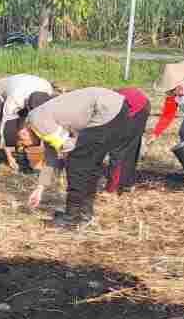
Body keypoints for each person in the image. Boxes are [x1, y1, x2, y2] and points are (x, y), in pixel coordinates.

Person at [18, 87, 142, 229]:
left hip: (105, 110)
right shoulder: (42, 124)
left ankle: (71, 217)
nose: (24, 146)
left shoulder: (37, 120)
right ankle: (84, 213)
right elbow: (51, 160)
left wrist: (73, 160)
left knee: (77, 162)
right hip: (119, 108)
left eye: (22, 142)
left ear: (23, 132)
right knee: (90, 163)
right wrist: (39, 190)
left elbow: (68, 147)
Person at [0, 74, 55, 178]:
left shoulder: (48, 93)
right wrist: (9, 157)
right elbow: (4, 130)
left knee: (31, 129)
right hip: (1, 92)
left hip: (27, 86)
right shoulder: (14, 100)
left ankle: (27, 159)